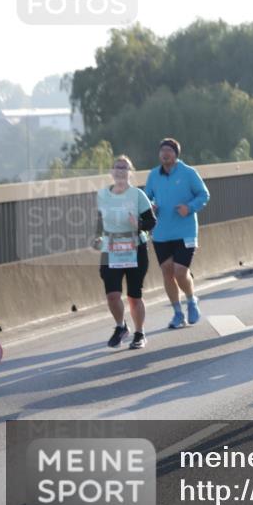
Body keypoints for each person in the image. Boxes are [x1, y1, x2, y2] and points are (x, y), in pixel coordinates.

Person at [92, 155, 157, 349]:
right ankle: (121, 327)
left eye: (124, 168)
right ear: (112, 172)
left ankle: (140, 333)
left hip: (135, 249)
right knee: (112, 295)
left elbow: (151, 222)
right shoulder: (103, 195)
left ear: (130, 173)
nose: (120, 171)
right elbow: (100, 221)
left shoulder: (137, 195)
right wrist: (97, 237)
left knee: (134, 296)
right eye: (117, 167)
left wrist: (138, 225)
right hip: (111, 249)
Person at [144, 138, 210, 329]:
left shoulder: (188, 173)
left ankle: (191, 300)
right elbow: (146, 198)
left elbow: (203, 194)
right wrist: (151, 206)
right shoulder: (153, 175)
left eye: (169, 150)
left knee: (180, 272)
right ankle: (177, 313)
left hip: (185, 231)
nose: (165, 154)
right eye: (162, 150)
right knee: (167, 272)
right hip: (161, 233)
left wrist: (189, 207)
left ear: (176, 154)